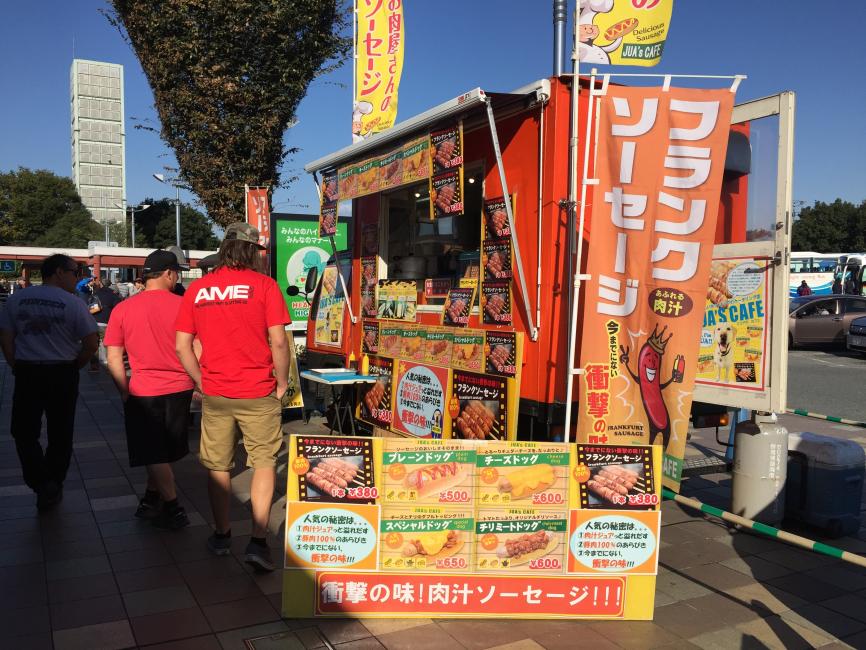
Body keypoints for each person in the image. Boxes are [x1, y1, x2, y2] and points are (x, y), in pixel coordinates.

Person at [175, 222, 290, 571]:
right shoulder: (265, 286)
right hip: (258, 390)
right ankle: (258, 541)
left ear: (224, 250)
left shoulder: (199, 289)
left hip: (217, 391)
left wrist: (201, 381)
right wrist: (282, 383)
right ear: (253, 251)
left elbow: (182, 346)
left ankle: (222, 535)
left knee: (218, 465)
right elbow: (280, 341)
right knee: (264, 462)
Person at [0, 255, 98, 510]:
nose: (77, 277)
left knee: (23, 431)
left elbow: (6, 338)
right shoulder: (73, 303)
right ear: (58, 272)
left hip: (27, 372)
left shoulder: (17, 299)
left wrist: (15, 364)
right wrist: (75, 365)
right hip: (62, 373)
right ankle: (53, 481)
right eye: (74, 272)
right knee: (61, 431)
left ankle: (40, 481)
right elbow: (90, 343)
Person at [105, 250, 194, 529]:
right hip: (181, 388)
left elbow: (114, 357)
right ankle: (156, 498)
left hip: (143, 391)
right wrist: (198, 379)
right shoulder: (184, 306)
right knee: (163, 452)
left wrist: (123, 389)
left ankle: (170, 504)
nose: (177, 277)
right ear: (168, 273)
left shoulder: (123, 308)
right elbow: (197, 347)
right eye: (176, 272)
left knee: (154, 452)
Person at [87, 277, 122, 371]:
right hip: (106, 322)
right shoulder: (113, 295)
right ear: (110, 284)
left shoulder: (95, 293)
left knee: (94, 343)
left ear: (101, 284)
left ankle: (94, 365)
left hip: (93, 320)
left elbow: (89, 305)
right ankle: (106, 362)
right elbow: (118, 308)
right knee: (106, 342)